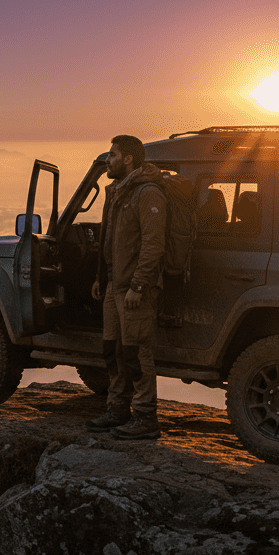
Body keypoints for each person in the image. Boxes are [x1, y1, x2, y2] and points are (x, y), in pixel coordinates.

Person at [86, 134, 167, 440]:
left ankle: (146, 418)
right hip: (113, 286)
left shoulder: (147, 193)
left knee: (136, 352)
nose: (108, 159)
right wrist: (101, 278)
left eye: (112, 155)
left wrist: (138, 285)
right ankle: (117, 410)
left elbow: (153, 244)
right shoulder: (119, 191)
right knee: (113, 350)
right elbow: (110, 240)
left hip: (135, 288)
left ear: (128, 159)